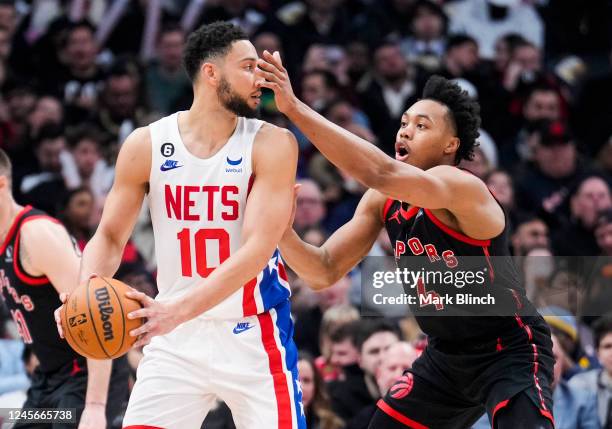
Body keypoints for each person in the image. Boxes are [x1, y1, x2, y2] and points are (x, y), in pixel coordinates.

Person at [258, 52, 555, 428]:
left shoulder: (462, 186)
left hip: (508, 347)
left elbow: (380, 171)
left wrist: (295, 109)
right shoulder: (383, 201)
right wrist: (282, 232)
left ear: (450, 145)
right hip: (444, 357)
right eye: (403, 122)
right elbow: (322, 270)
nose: (405, 131)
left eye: (421, 125)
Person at [55, 22, 302, 428]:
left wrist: (176, 311)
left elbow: (257, 249)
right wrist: (82, 295)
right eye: (248, 67)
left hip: (254, 334)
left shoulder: (272, 143)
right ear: (211, 73)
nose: (261, 78)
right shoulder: (146, 144)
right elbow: (111, 236)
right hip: (174, 339)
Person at [0, 148, 129, 429]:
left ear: (1, 184)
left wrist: (95, 406)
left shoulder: (35, 235)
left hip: (86, 372)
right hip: (49, 379)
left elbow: (97, 311)